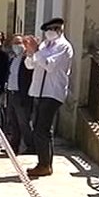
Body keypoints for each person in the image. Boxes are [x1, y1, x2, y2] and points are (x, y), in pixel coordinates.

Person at [23, 17, 74, 178]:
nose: (49, 32)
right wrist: (31, 53)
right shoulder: (44, 45)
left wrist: (37, 51)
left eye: (53, 29)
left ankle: (44, 164)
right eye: (48, 29)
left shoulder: (64, 47)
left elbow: (50, 65)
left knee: (41, 129)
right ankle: (44, 163)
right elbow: (30, 65)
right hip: (39, 90)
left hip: (52, 92)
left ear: (60, 30)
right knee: (40, 128)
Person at [5, 34, 35, 154]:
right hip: (11, 93)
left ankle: (30, 146)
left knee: (24, 122)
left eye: (19, 43)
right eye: (14, 43)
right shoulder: (13, 58)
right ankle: (14, 146)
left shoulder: (27, 60)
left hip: (22, 94)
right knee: (13, 122)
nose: (16, 46)